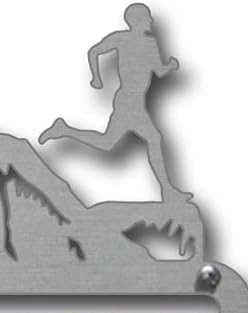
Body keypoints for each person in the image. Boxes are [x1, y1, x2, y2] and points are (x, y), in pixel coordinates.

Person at [40, 4, 179, 197]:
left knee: (109, 142)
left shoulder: (149, 44)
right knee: (152, 140)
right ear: (137, 21)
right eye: (147, 17)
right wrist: (96, 77)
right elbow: (94, 52)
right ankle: (168, 191)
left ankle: (64, 130)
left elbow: (158, 71)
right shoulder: (122, 39)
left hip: (135, 101)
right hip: (128, 101)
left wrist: (169, 66)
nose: (151, 20)